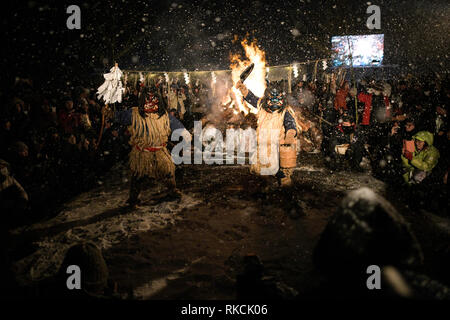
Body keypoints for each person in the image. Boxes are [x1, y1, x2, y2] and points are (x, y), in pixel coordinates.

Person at [104, 86, 190, 207]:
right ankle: (133, 199)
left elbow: (179, 127)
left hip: (160, 151)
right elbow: (118, 117)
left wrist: (185, 134)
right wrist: (110, 112)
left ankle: (172, 190)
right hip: (142, 153)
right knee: (139, 175)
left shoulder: (165, 116)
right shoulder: (134, 114)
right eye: (148, 98)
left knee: (168, 172)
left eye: (153, 98)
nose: (150, 101)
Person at [236, 80, 300, 186]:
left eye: (278, 99)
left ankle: (285, 182)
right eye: (272, 99)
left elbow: (291, 125)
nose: (275, 102)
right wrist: (243, 89)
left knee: (282, 167)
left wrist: (289, 135)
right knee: (262, 173)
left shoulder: (285, 111)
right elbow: (251, 98)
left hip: (278, 146)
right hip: (263, 146)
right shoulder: (262, 105)